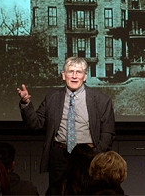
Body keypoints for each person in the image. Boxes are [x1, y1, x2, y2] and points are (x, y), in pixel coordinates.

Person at [18, 56, 116, 195]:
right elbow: (36, 123)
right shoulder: (52, 97)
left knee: (88, 192)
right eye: (70, 72)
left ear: (85, 76)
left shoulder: (101, 99)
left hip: (88, 156)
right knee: (57, 192)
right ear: (64, 75)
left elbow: (108, 132)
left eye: (79, 72)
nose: (74, 76)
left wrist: (96, 154)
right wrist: (26, 104)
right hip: (59, 155)